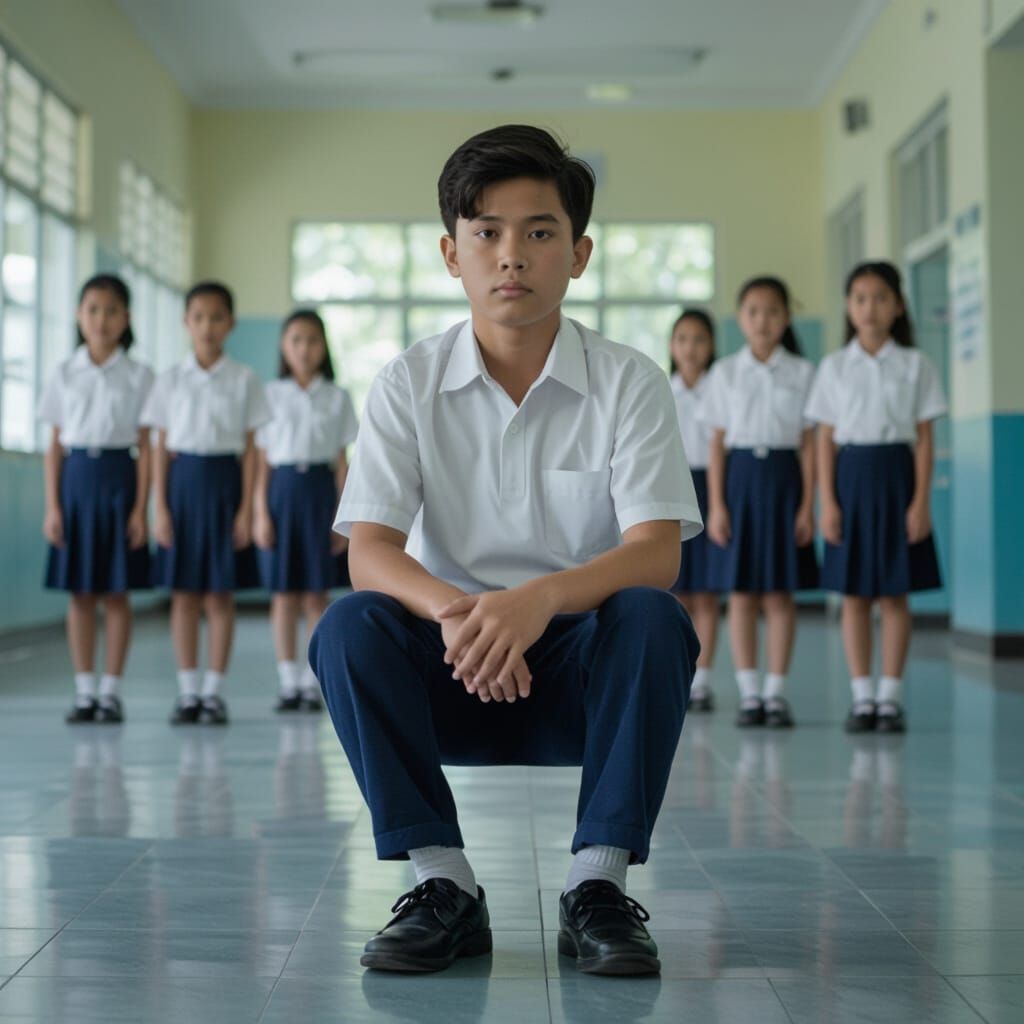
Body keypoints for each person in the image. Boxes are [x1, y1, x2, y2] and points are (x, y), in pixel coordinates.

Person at [309, 124, 702, 976]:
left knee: (652, 616)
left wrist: (541, 600)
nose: (511, 255)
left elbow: (656, 550)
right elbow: (368, 549)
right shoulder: (408, 381)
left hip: (579, 670)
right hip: (451, 660)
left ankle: (597, 887)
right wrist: (463, 612)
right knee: (349, 628)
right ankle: (442, 886)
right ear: (453, 254)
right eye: (486, 232)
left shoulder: (630, 379)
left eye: (539, 232)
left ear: (580, 254)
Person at [807, 260, 946, 734]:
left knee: (894, 593)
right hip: (851, 478)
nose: (870, 308)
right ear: (849, 307)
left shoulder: (915, 364)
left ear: (898, 305)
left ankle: (889, 697)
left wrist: (920, 501)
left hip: (898, 478)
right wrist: (828, 501)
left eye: (881, 297)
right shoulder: (835, 366)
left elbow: (925, 438)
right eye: (861, 298)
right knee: (854, 595)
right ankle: (862, 696)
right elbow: (825, 438)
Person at [141, 281, 271, 726]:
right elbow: (158, 446)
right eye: (199, 317)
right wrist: (159, 505)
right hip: (181, 486)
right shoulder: (170, 379)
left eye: (217, 317)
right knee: (184, 595)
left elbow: (253, 449)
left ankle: (213, 691)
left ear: (230, 324)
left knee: (219, 593)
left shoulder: (244, 379)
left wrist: (247, 510)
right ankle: (188, 691)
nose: (208, 326)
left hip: (225, 484)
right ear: (186, 323)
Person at [703, 276, 818, 729]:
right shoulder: (725, 373)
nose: (763, 320)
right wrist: (716, 505)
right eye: (753, 311)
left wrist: (808, 505)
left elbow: (810, 445)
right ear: (741, 319)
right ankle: (750, 692)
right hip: (740, 482)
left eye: (772, 311)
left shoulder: (804, 373)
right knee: (743, 592)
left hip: (786, 481)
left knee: (779, 593)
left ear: (787, 317)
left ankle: (776, 693)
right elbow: (716, 443)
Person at [39, 273, 153, 725]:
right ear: (77, 315)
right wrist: (53, 505)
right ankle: (84, 689)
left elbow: (146, 447)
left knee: (117, 592)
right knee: (80, 591)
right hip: (76, 480)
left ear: (126, 318)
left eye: (111, 310)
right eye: (92, 309)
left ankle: (111, 691)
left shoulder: (140, 375)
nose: (101, 319)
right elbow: (54, 445)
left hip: (120, 478)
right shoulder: (65, 372)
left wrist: (141, 507)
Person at [254, 309, 358, 712]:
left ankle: (312, 681)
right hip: (281, 492)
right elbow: (260, 459)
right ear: (284, 346)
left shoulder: (337, 396)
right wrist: (260, 512)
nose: (304, 348)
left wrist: (343, 517)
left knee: (315, 593)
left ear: (323, 347)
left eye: (313, 340)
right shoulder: (271, 394)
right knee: (284, 594)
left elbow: (343, 461)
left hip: (319, 494)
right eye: (296, 340)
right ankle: (287, 682)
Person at [668, 308, 721, 712]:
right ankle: (680, 672)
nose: (690, 348)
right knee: (679, 590)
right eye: (683, 339)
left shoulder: (720, 388)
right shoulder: (661, 388)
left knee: (706, 591)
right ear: (672, 346)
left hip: (710, 487)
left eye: (699, 339)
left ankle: (703, 679)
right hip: (672, 491)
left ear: (712, 346)